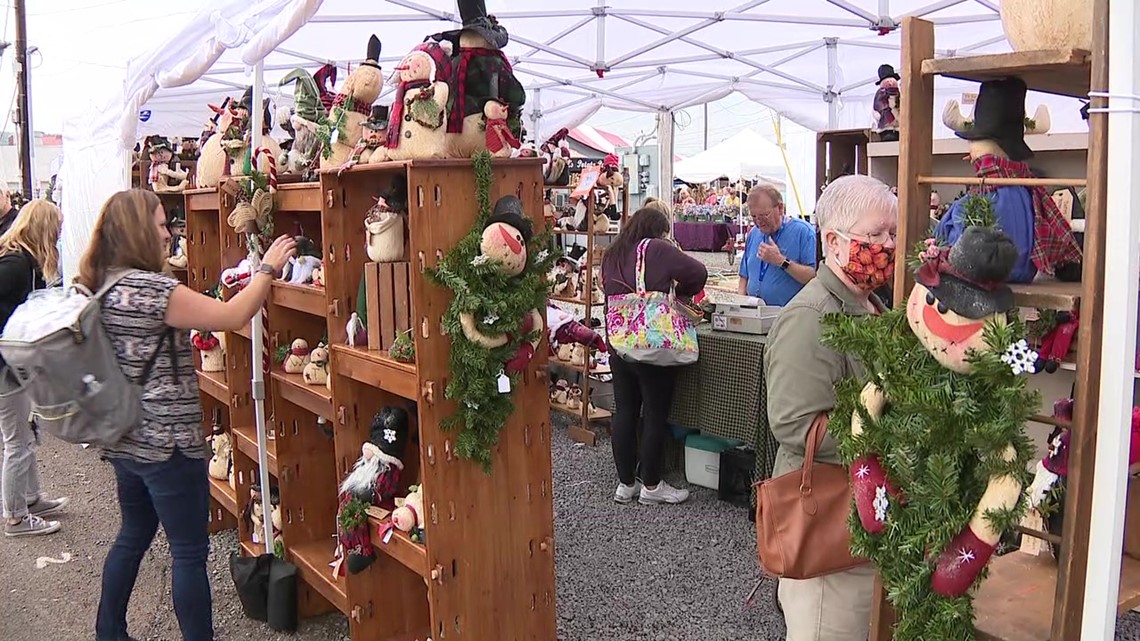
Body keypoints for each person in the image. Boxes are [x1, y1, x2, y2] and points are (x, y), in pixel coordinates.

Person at [87, 189, 296, 641]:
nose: (169, 231)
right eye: (162, 224)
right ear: (139, 231)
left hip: (126, 440)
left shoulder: (105, 284)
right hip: (169, 444)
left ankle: (109, 631)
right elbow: (231, 313)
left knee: (132, 535)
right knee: (187, 552)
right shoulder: (155, 291)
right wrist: (266, 270)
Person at [764, 175, 898, 641]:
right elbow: (795, 425)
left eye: (892, 235)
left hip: (864, 517)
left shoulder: (868, 305)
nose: (888, 245)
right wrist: (890, 432)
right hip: (831, 525)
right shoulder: (810, 317)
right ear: (834, 242)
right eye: (876, 234)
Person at [601, 207, 707, 506]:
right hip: (651, 342)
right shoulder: (656, 248)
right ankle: (651, 484)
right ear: (658, 230)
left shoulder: (612, 253)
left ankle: (625, 483)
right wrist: (682, 291)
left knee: (624, 412)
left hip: (619, 341)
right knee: (655, 414)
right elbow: (698, 272)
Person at [0, 200, 69, 537]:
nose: (59, 233)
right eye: (55, 226)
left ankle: (30, 498)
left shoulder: (21, 259)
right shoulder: (14, 263)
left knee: (24, 434)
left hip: (13, 363)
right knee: (17, 440)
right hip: (5, 365)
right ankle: (15, 515)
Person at [737, 184, 817, 306]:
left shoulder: (803, 232)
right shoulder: (754, 233)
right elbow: (744, 276)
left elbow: (812, 278)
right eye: (754, 216)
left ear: (780, 208)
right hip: (755, 315)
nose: (759, 221)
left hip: (788, 316)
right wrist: (740, 305)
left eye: (764, 215)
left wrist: (781, 261)